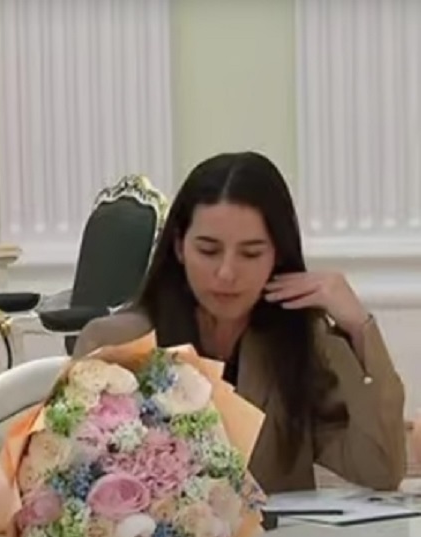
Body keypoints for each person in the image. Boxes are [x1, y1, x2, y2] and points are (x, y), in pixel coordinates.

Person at [74, 151, 407, 493]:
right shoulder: (119, 345)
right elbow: (75, 482)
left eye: (251, 253)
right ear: (179, 247)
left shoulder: (300, 339)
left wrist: (360, 328)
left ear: (277, 254)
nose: (226, 273)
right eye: (208, 251)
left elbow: (380, 471)